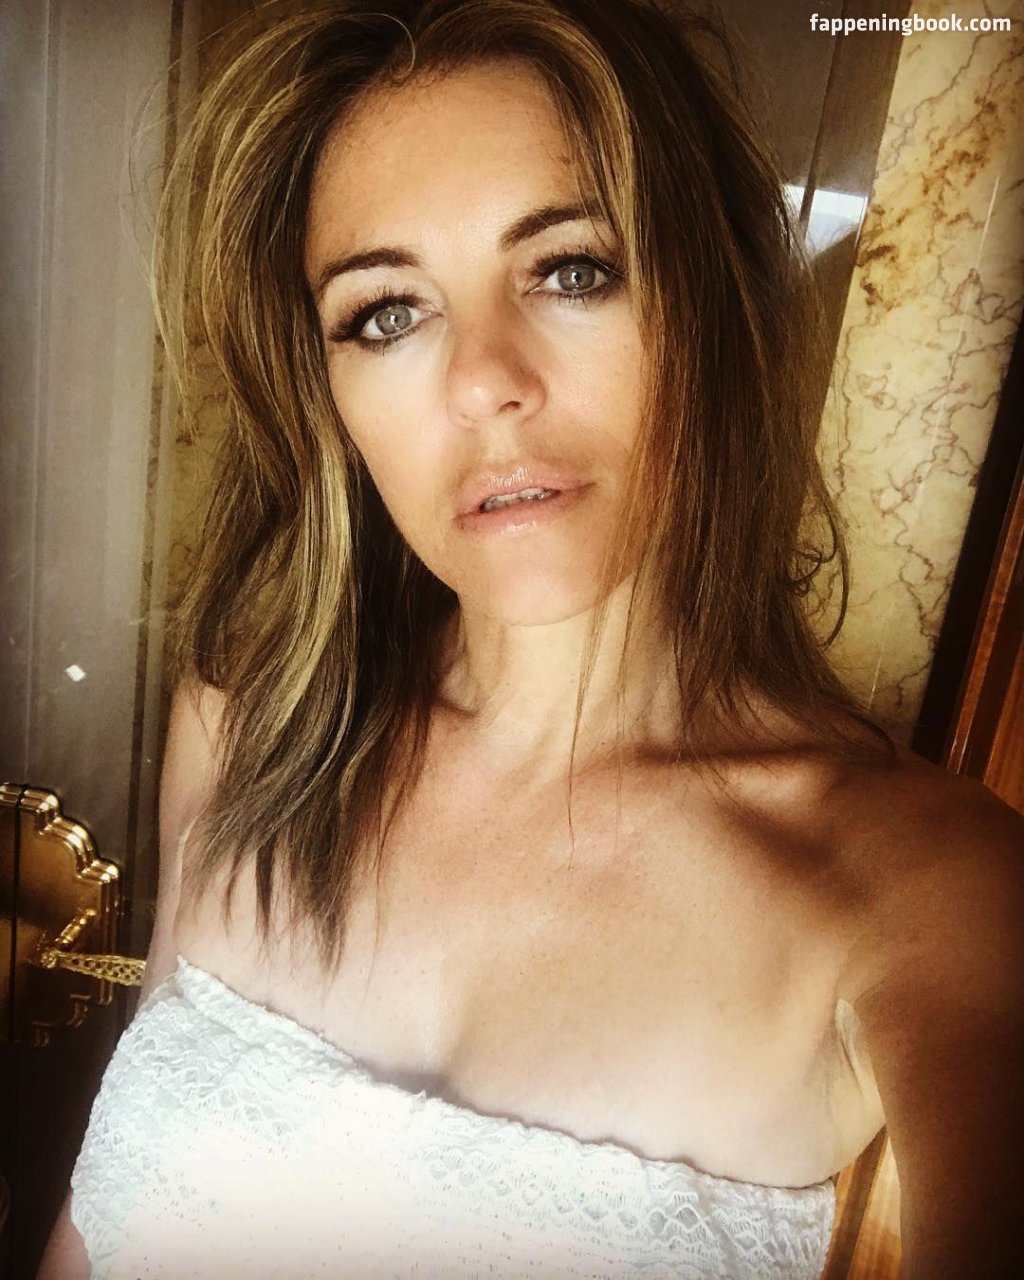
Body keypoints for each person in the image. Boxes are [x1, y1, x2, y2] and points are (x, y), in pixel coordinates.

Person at [39, 0, 1024, 1276]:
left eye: (570, 271)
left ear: (711, 299)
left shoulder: (923, 890)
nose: (481, 382)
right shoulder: (246, 725)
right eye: (386, 312)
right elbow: (93, 1228)